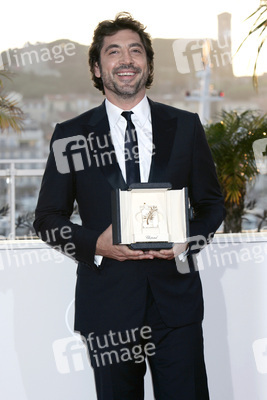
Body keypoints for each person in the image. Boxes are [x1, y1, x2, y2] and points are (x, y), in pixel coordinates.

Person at [34, 12, 225, 400]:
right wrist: (96, 245)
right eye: (113, 52)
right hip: (108, 309)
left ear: (148, 64)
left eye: (135, 51)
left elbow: (211, 204)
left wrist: (187, 242)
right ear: (96, 66)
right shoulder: (71, 135)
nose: (126, 60)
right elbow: (46, 219)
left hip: (176, 305)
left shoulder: (185, 126)